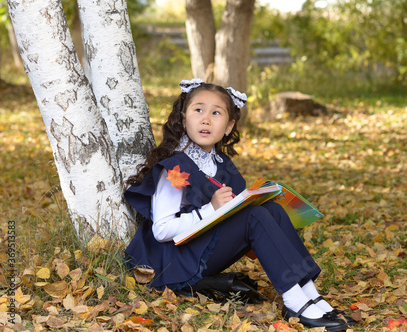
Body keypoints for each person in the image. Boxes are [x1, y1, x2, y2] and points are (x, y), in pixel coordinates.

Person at [123, 78, 355, 331]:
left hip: (200, 251)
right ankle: (294, 300)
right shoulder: (176, 167)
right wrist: (210, 208)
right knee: (254, 216)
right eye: (198, 110)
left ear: (228, 126)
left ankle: (310, 294)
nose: (206, 119)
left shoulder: (221, 165)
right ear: (183, 118)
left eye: (216, 113)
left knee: (273, 209)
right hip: (173, 262)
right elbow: (161, 230)